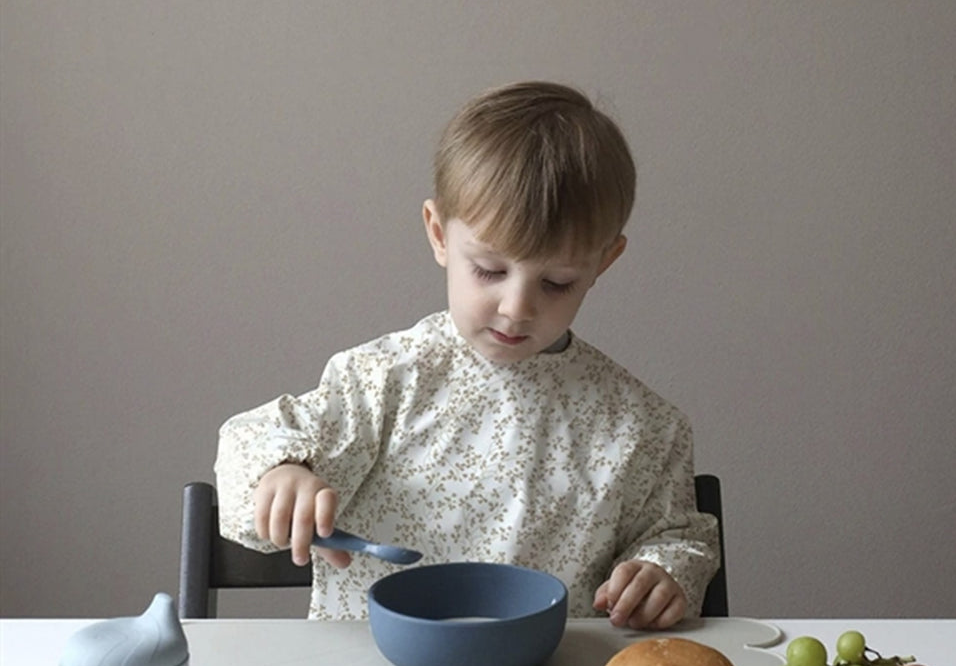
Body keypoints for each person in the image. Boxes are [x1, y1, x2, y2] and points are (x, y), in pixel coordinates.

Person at [215, 81, 719, 629]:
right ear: (439, 234)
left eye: (556, 282)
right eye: (489, 270)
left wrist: (661, 572)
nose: (516, 307)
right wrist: (283, 474)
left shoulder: (643, 428)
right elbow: (250, 442)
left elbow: (677, 536)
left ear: (604, 262)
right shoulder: (382, 383)